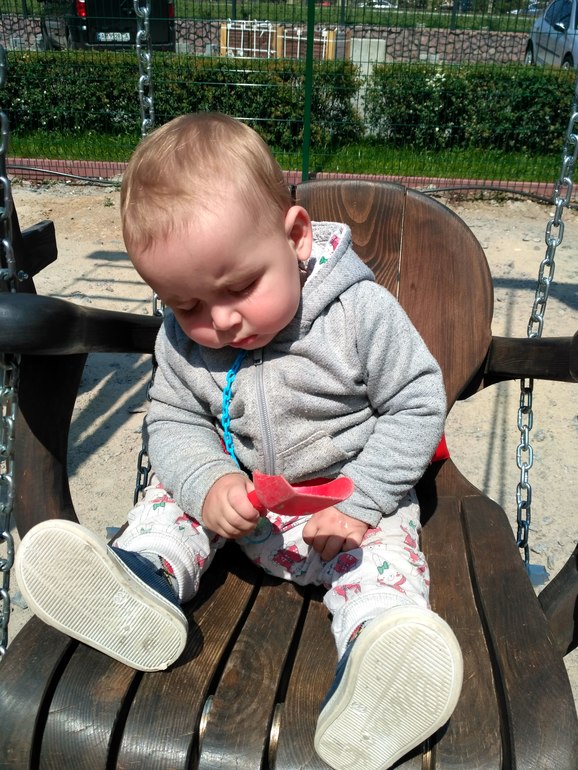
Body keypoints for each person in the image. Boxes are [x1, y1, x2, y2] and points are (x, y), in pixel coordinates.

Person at [15, 112, 463, 770]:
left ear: (296, 237)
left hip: (346, 511)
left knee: (383, 567)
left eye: (241, 288)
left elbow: (417, 401)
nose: (220, 321)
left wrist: (364, 501)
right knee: (169, 502)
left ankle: (378, 670)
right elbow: (173, 419)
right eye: (186, 305)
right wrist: (209, 483)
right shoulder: (182, 341)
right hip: (243, 509)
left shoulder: (356, 312)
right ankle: (142, 581)